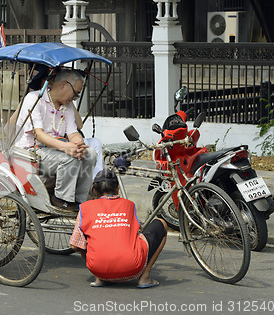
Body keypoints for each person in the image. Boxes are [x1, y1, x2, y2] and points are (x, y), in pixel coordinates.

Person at [14, 69, 97, 212]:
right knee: (69, 157)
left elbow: (72, 132)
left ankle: (79, 200)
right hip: (31, 152)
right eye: (75, 93)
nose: (75, 98)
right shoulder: (34, 99)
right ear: (64, 85)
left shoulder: (68, 106)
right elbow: (38, 134)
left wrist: (79, 144)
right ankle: (61, 199)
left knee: (89, 154)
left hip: (53, 151)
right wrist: (66, 148)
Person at [70, 169, 167, 288]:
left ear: (94, 190)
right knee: (161, 223)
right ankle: (145, 278)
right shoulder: (129, 205)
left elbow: (74, 246)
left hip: (98, 269)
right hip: (132, 267)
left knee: (85, 239)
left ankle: (100, 278)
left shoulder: (85, 208)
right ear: (117, 188)